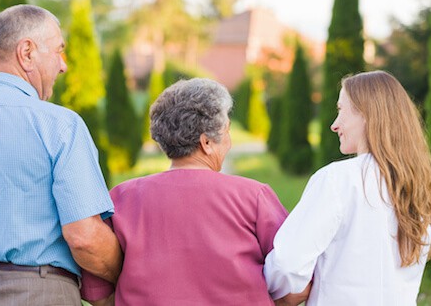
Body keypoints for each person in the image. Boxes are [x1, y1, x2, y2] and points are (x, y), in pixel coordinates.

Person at [0, 4, 122, 305]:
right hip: (34, 292)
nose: (63, 65)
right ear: (27, 53)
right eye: (59, 51)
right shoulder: (60, 125)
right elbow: (85, 238)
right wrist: (126, 276)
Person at [79, 78, 303, 306]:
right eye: (226, 131)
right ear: (206, 142)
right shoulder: (253, 197)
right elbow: (296, 282)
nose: (229, 141)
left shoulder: (121, 199)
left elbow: (97, 293)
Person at [264, 70, 431, 305]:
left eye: (341, 110)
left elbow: (287, 263)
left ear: (367, 113)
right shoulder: (419, 188)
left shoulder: (337, 180)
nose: (335, 125)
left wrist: (282, 292)